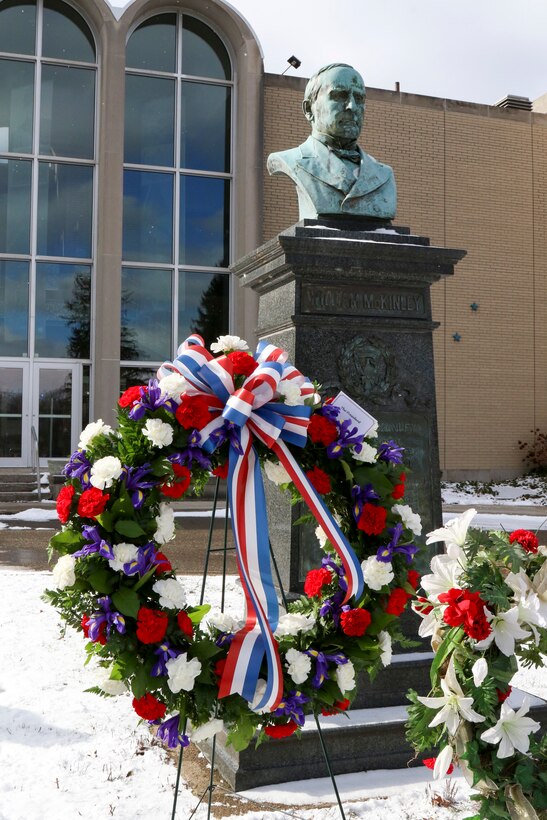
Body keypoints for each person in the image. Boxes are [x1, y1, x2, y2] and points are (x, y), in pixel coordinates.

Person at [267, 63, 396, 220]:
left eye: (359, 98)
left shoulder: (384, 175)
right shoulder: (293, 160)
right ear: (309, 109)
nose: (352, 106)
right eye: (339, 96)